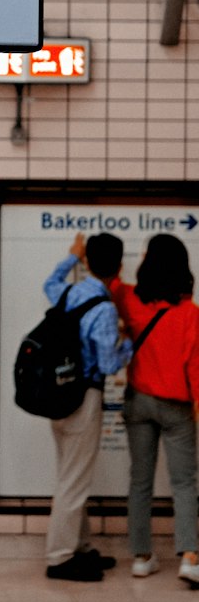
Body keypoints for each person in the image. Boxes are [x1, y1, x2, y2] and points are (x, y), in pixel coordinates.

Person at [42, 231, 131, 582]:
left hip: (58, 394)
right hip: (85, 397)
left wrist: (71, 257)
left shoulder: (69, 293)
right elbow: (109, 363)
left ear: (88, 262)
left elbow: (50, 281)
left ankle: (80, 548)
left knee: (70, 474)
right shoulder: (105, 308)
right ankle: (60, 557)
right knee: (74, 480)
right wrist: (130, 346)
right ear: (120, 267)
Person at [111, 233, 199, 583]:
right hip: (176, 405)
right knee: (184, 482)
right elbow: (195, 366)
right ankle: (190, 557)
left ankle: (142, 556)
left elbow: (112, 282)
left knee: (140, 480)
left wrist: (81, 255)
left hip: (139, 402)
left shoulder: (130, 299)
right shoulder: (190, 314)